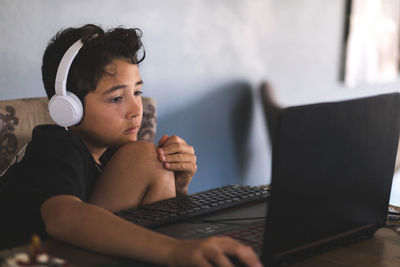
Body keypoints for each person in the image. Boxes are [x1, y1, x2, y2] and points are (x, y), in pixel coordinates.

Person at [0, 24, 262, 267]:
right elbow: (64, 218)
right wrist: (175, 251)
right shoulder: (55, 145)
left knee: (152, 161)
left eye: (137, 92)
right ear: (69, 109)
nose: (136, 110)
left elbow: (160, 220)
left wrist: (180, 186)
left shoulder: (114, 152)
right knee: (145, 157)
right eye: (116, 99)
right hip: (27, 258)